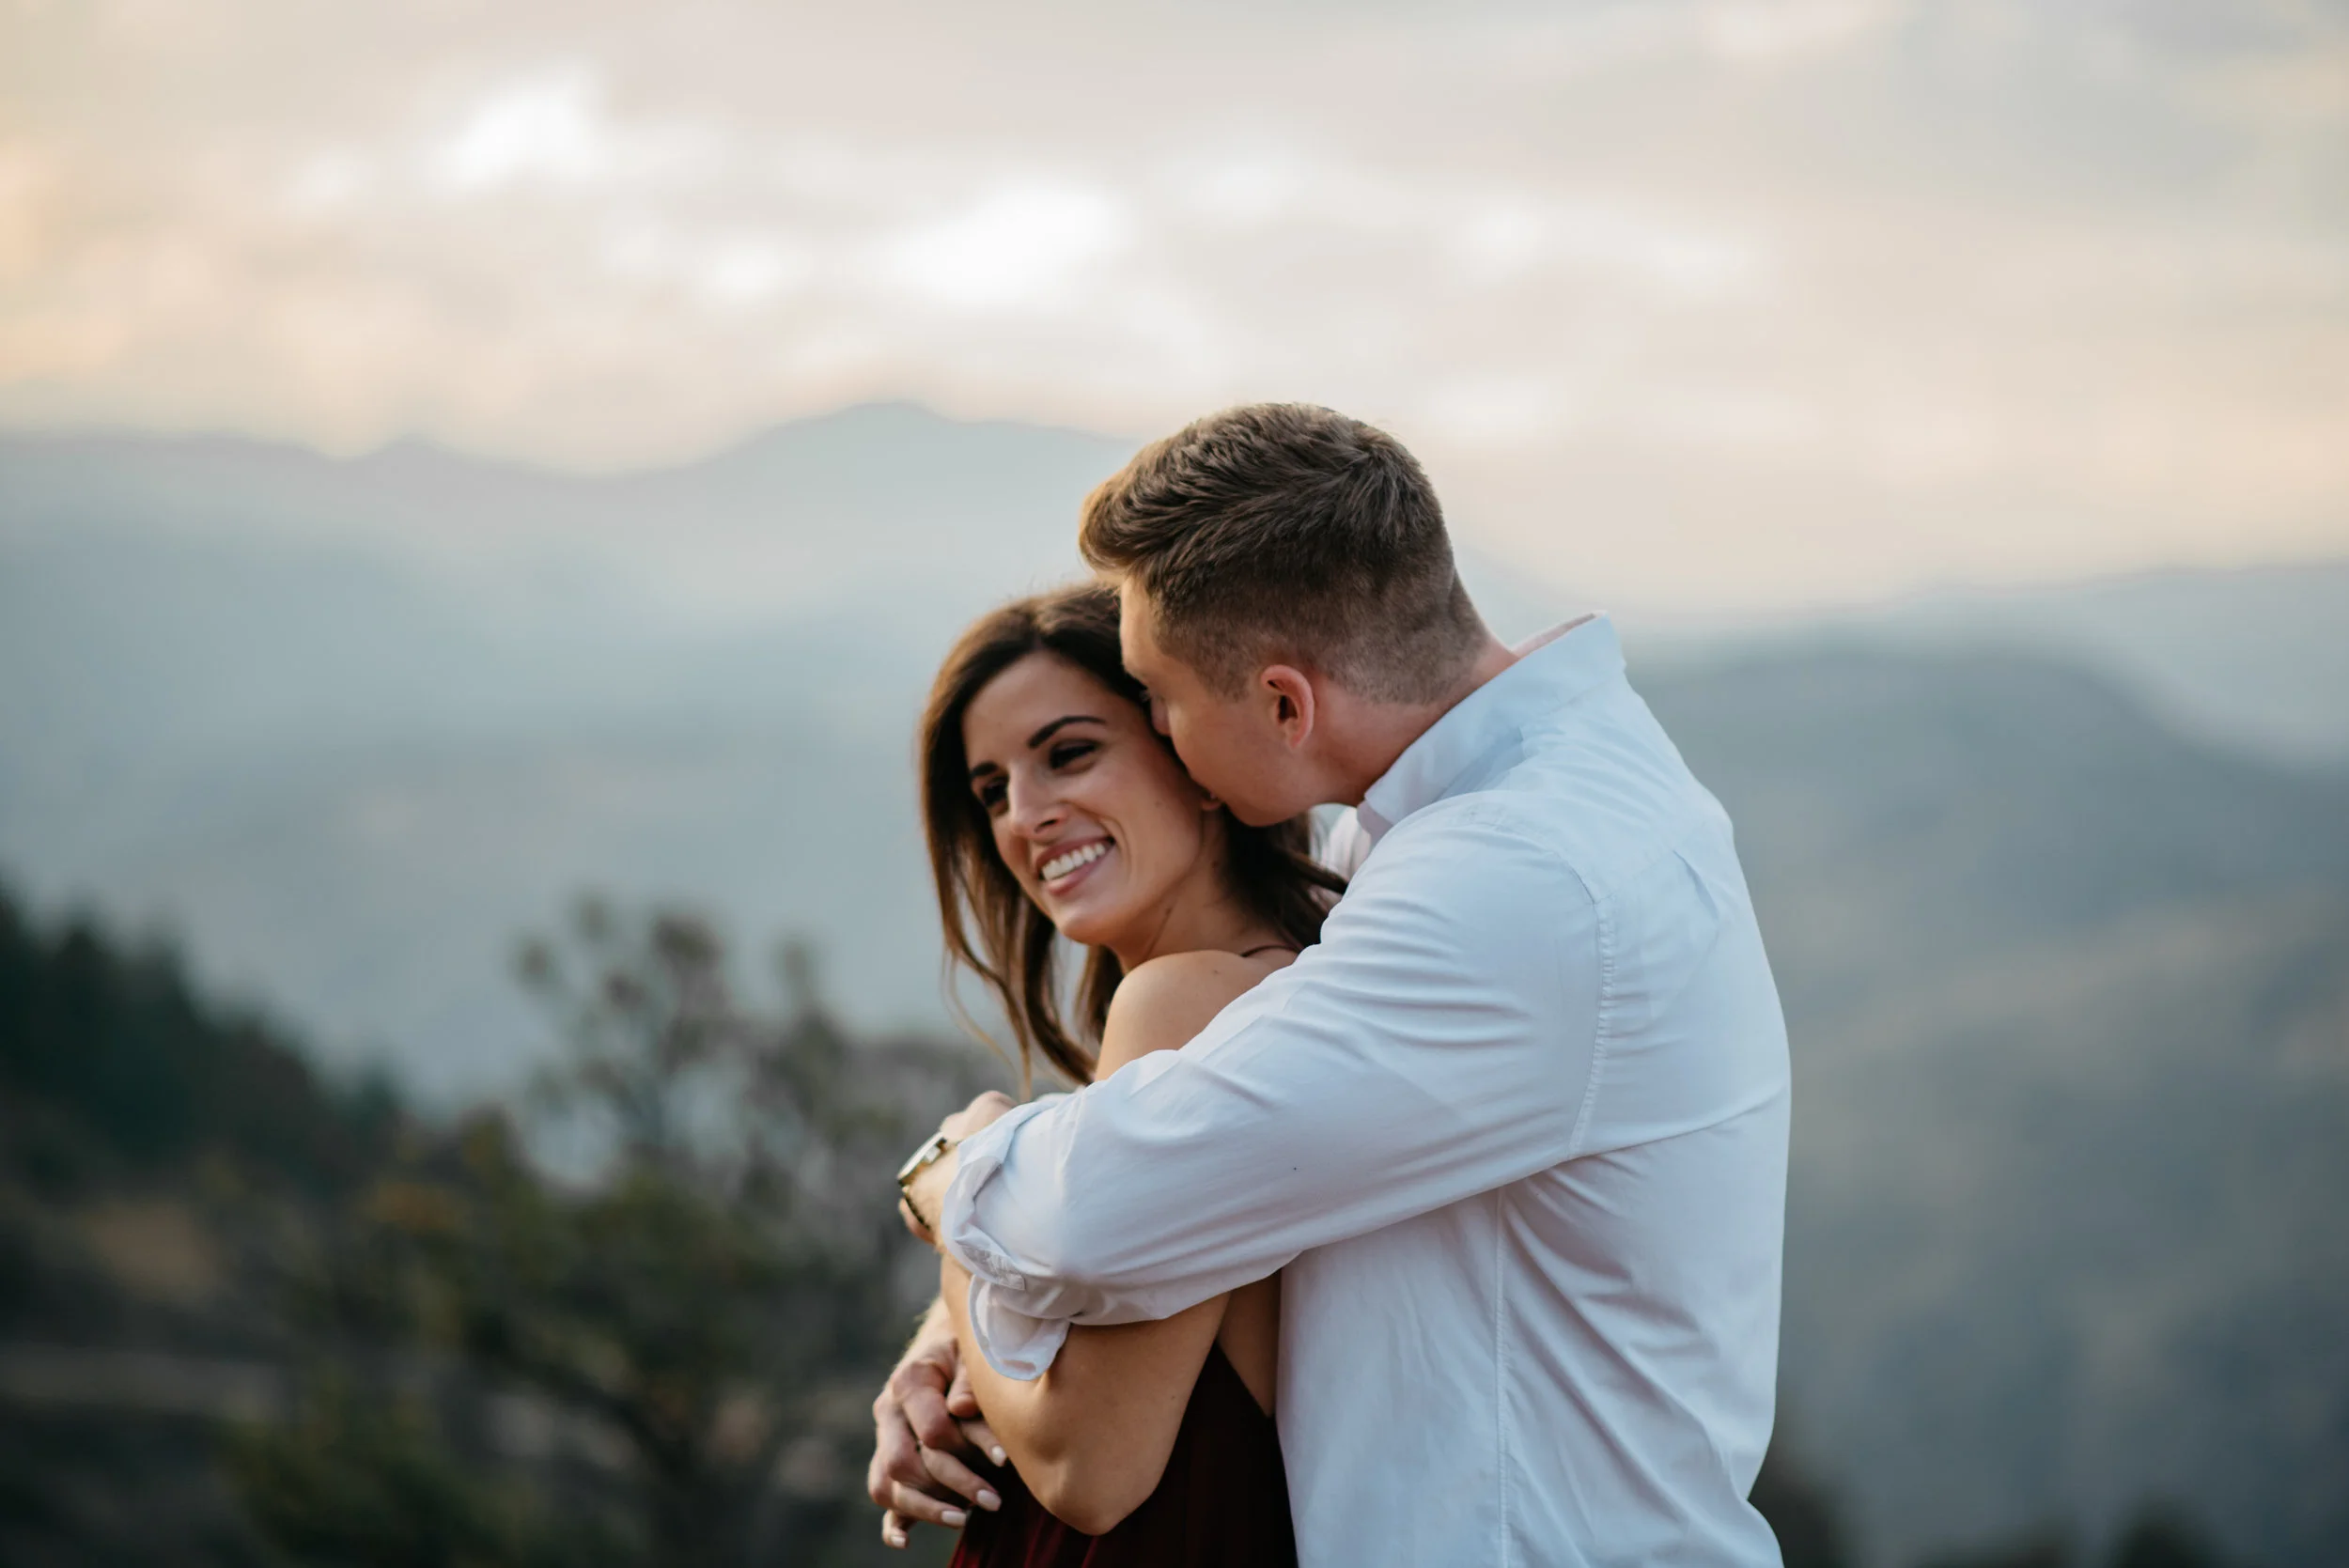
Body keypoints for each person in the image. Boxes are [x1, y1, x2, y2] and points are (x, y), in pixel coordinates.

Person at [881, 403, 1792, 1566]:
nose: (1161, 728)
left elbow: (1103, 1214)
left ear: (1282, 704)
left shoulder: (1512, 885)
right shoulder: (1436, 837)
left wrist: (947, 1169)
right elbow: (1178, 1201)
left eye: (1158, 701)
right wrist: (944, 1335)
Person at [888, 582, 1340, 1562]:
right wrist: (940, 1341)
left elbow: (1089, 1468)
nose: (1026, 818)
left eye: (1068, 753)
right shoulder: (1270, 978)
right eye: (992, 790)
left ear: (1196, 757)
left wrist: (951, 1177)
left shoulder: (1183, 1002)